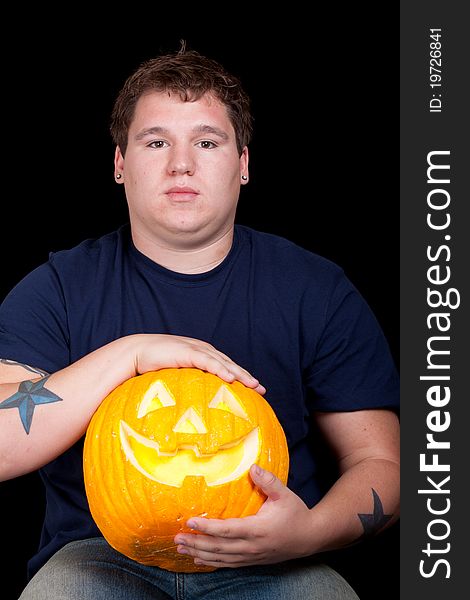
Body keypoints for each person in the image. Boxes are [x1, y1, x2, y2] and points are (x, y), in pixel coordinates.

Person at [0, 45, 399, 600]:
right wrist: (129, 354)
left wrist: (307, 533)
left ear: (243, 164)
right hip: (99, 554)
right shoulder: (57, 289)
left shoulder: (316, 289)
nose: (180, 163)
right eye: (156, 141)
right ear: (119, 163)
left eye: (206, 143)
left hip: (275, 554)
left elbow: (380, 461)